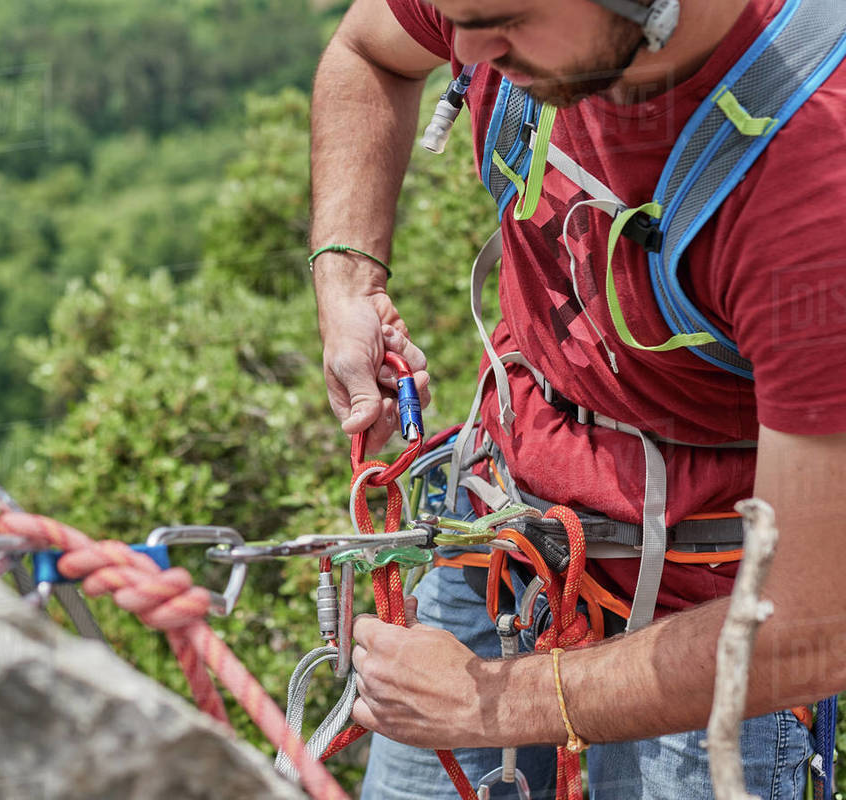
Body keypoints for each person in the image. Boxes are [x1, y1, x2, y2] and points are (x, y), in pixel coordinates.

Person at [308, 0, 846, 797]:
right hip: (498, 527)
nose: (463, 49)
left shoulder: (813, 205)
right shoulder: (496, 14)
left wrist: (481, 704)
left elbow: (812, 630)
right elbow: (372, 49)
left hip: (713, 610)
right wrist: (348, 278)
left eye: (502, 21)